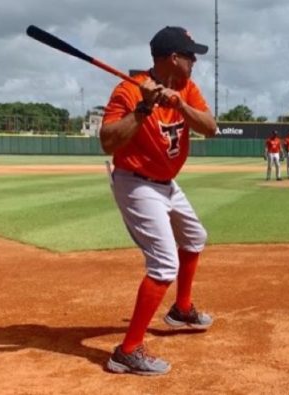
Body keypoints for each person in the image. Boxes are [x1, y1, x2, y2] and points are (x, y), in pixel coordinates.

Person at [99, 26, 217, 376]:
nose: (195, 61)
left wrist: (179, 103)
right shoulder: (128, 90)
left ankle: (181, 309)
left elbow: (209, 127)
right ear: (173, 58)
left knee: (195, 237)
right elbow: (107, 142)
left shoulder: (186, 88)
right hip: (136, 183)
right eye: (190, 55)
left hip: (168, 182)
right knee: (165, 264)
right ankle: (127, 351)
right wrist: (144, 107)